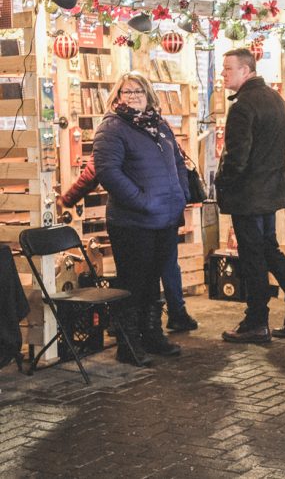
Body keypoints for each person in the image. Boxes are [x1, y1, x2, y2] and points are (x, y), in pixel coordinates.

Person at [217, 49, 285, 343]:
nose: (223, 74)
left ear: (246, 70)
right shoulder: (275, 99)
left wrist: (223, 182)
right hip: (270, 191)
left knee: (253, 258)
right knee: (269, 250)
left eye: (228, 69)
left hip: (248, 195)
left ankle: (256, 321)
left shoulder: (242, 106)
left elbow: (237, 158)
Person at [93, 72, 189, 366]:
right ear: (118, 96)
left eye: (138, 91)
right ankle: (128, 342)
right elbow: (107, 171)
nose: (133, 96)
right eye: (127, 91)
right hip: (133, 221)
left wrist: (181, 193)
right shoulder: (112, 127)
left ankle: (152, 335)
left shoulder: (158, 125)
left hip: (165, 217)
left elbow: (178, 162)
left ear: (149, 94)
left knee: (153, 280)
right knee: (133, 282)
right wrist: (141, 201)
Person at [59, 157, 198, 333]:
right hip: (155, 214)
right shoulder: (150, 133)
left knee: (140, 273)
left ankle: (135, 328)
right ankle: (158, 322)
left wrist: (69, 198)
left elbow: (96, 170)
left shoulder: (138, 133)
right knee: (161, 267)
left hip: (147, 216)